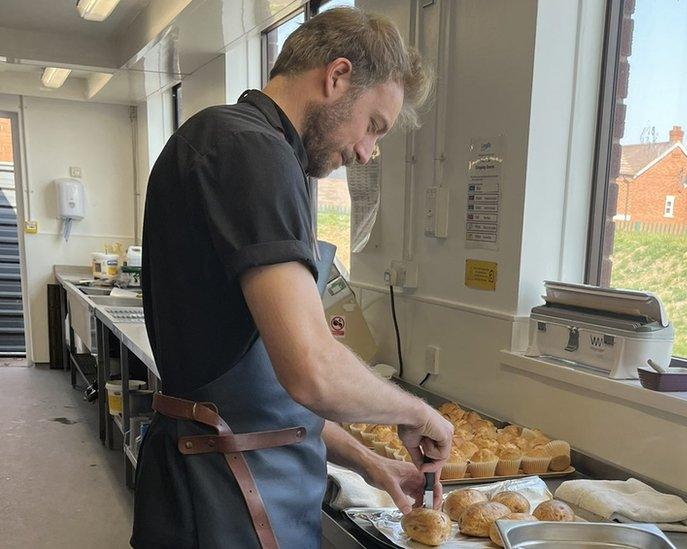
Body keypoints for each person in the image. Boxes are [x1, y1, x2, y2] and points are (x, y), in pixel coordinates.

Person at [131, 7, 453, 548]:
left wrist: (372, 463)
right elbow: (310, 372)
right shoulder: (253, 151)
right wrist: (419, 412)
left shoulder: (227, 140)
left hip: (223, 477)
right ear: (337, 77)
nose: (365, 151)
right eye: (373, 125)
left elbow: (266, 395)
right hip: (226, 502)